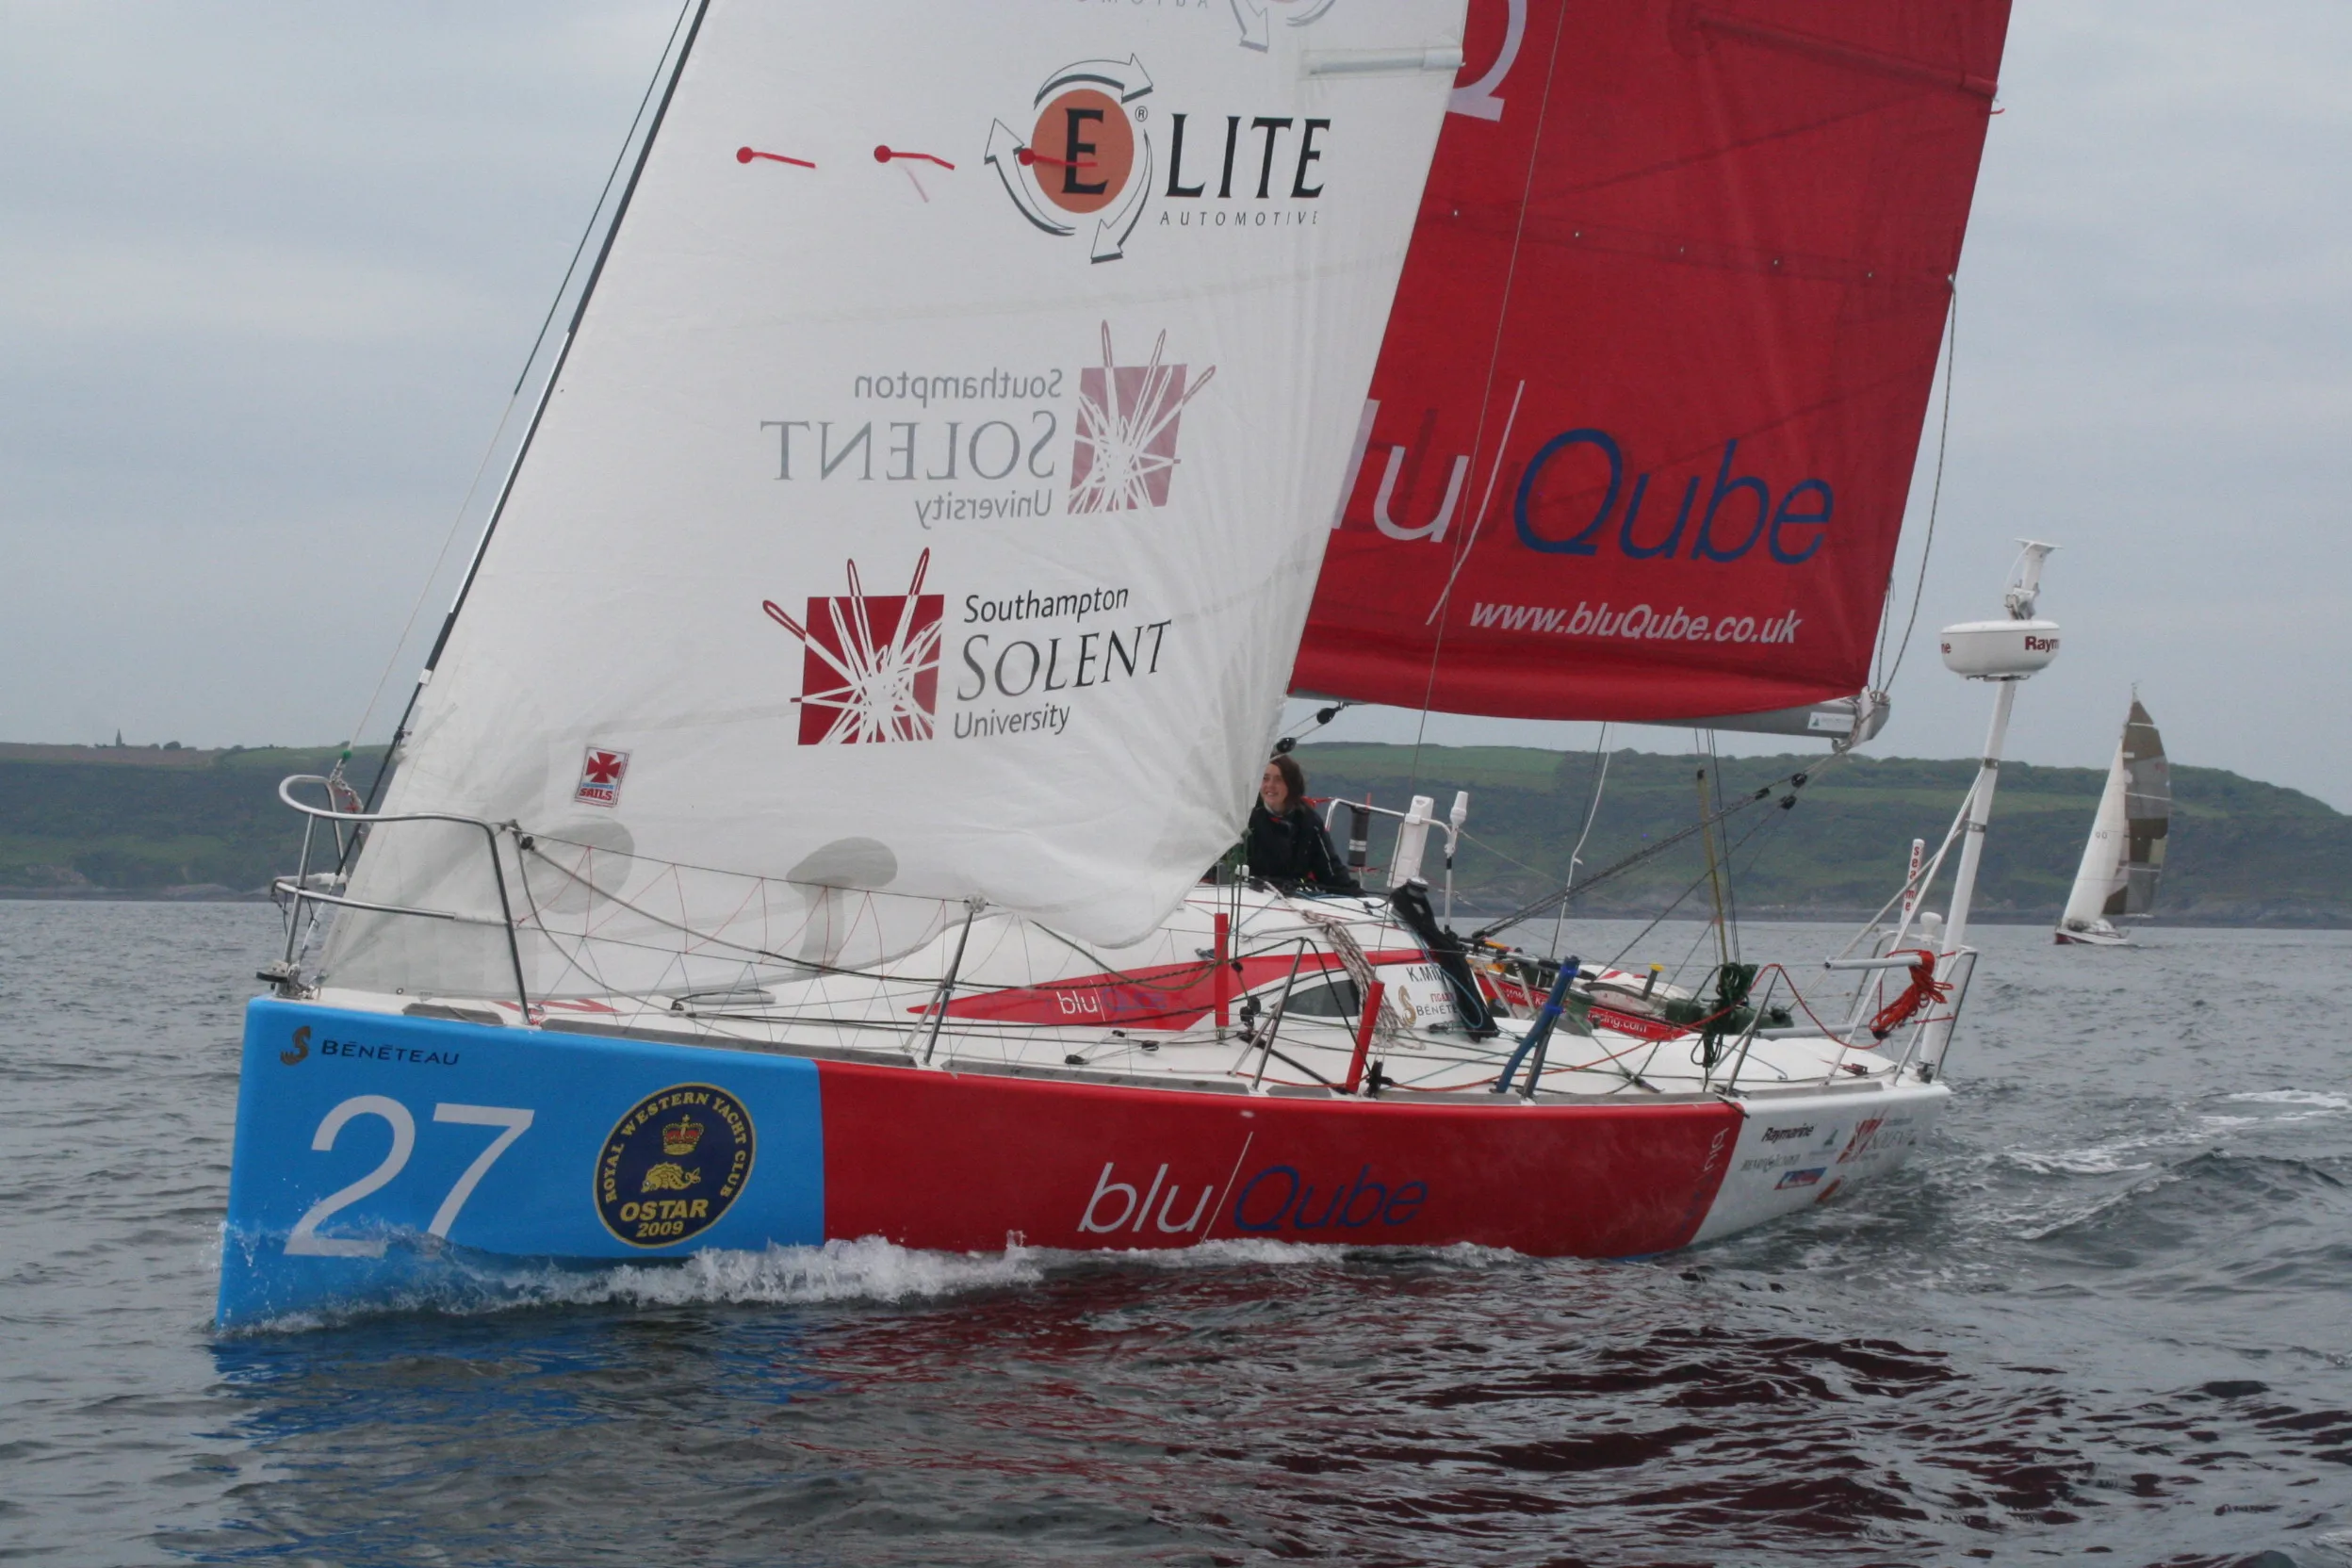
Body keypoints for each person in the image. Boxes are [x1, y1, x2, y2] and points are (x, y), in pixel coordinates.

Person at [1246, 754, 1361, 893]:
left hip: (1291, 898)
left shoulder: (1308, 821)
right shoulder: (1246, 815)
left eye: (1278, 779)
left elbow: (1330, 870)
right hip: (1248, 894)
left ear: (1291, 784)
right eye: (1265, 778)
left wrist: (1359, 897)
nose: (1270, 785)